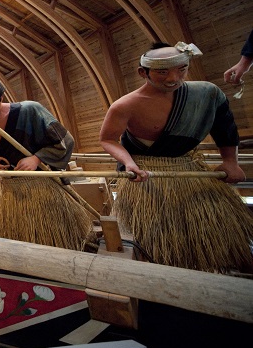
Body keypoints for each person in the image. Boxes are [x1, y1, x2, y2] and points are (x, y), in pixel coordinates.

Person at [100, 41, 252, 272]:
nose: (174, 78)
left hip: (190, 170)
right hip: (146, 177)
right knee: (152, 238)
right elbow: (108, 139)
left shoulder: (206, 94)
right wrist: (129, 162)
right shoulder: (125, 105)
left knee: (209, 235)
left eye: (182, 69)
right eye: (163, 72)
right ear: (144, 72)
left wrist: (231, 161)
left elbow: (225, 127)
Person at [0, 77, 91, 249]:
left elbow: (65, 140)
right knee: (19, 240)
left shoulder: (30, 110)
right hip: (11, 190)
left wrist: (37, 158)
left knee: (56, 237)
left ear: (0, 96)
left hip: (43, 187)